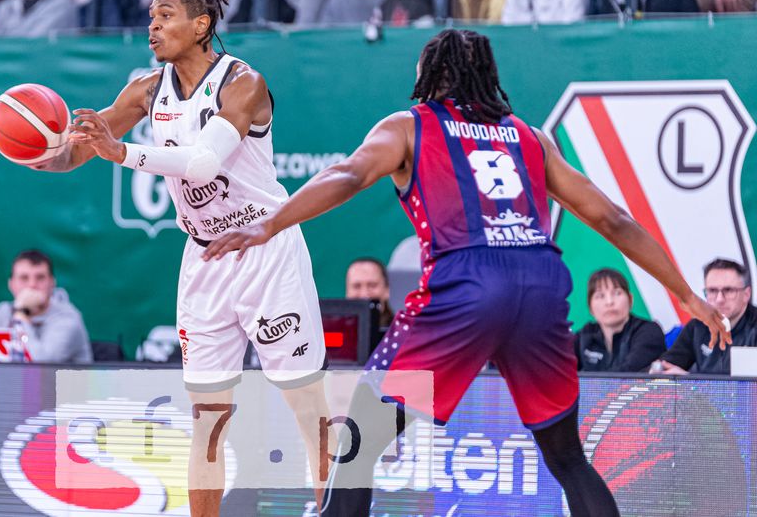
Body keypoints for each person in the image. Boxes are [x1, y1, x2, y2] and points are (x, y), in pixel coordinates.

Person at [202, 27, 731, 517]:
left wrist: (269, 224)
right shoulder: (531, 137)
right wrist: (687, 295)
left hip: (467, 284)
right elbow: (613, 219)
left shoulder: (410, 125)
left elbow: (348, 174)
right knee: (567, 456)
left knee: (360, 439)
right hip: (541, 284)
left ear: (431, 73)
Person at [35, 0, 333, 515]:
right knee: (207, 420)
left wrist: (121, 153)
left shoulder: (243, 82)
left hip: (265, 249)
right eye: (151, 16)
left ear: (201, 25)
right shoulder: (146, 90)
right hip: (204, 257)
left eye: (165, 15)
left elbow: (202, 163)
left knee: (305, 403)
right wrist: (38, 149)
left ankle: (335, 508)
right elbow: (77, 152)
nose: (152, 26)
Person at [0, 249, 94, 364]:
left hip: (63, 391)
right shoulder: (5, 311)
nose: (32, 285)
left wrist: (21, 315)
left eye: (40, 277)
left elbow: (41, 368)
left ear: (52, 282)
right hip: (15, 389)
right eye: (24, 278)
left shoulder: (68, 319)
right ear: (11, 285)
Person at [658, 258, 757, 374]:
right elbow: (666, 365)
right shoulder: (697, 325)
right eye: (712, 291)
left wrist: (689, 381)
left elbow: (746, 383)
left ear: (746, 294)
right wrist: (657, 368)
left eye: (729, 290)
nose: (720, 299)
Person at [573, 268, 666, 372]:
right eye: (600, 296)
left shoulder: (649, 331)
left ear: (630, 299)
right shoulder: (584, 336)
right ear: (590, 307)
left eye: (617, 293)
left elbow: (628, 374)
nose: (609, 302)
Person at [345, 257, 394, 330]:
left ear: (387, 290)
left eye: (372, 285)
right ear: (347, 291)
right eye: (357, 286)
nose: (364, 295)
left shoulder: (403, 333)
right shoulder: (332, 331)